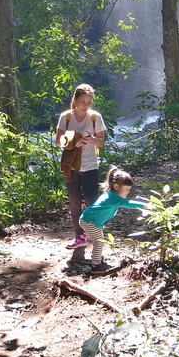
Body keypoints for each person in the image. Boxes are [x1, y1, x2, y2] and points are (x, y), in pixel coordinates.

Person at [55, 84, 106, 250]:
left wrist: (91, 139)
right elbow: (58, 141)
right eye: (83, 102)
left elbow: (101, 142)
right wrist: (74, 142)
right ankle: (79, 237)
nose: (86, 106)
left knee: (92, 202)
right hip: (71, 165)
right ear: (75, 100)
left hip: (90, 165)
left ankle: (98, 236)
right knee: (75, 203)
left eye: (89, 103)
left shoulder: (95, 117)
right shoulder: (66, 117)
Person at [80, 165, 151, 273]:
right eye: (126, 189)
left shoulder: (111, 194)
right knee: (99, 242)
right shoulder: (113, 197)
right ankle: (95, 265)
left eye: (129, 189)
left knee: (99, 240)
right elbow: (128, 203)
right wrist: (144, 205)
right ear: (117, 186)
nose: (128, 192)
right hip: (89, 222)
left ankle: (97, 260)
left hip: (89, 220)